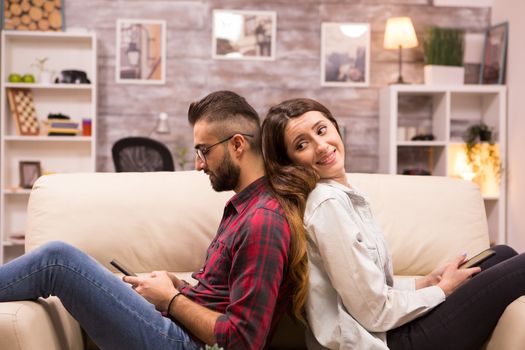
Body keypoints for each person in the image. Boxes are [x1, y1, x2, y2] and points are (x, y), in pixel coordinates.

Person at [0, 90, 307, 350]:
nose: (199, 164)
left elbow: (243, 339)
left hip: (188, 343)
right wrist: (178, 287)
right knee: (91, 271)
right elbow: (219, 298)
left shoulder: (263, 221)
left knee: (58, 261)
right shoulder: (243, 207)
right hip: (179, 327)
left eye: (204, 150)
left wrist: (171, 299)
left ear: (238, 145)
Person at [261, 97, 525, 350]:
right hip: (388, 343)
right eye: (301, 145)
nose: (321, 145)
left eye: (322, 130)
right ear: (289, 164)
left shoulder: (344, 196)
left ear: (335, 128)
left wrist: (426, 282)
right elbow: (373, 311)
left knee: (500, 254)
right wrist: (442, 289)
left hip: (388, 329)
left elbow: (369, 288)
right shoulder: (326, 204)